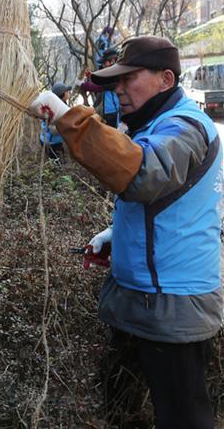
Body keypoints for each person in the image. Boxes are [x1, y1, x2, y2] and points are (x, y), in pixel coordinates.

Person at [31, 35, 222, 429]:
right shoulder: (154, 123)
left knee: (183, 417)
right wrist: (113, 234)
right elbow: (171, 204)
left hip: (173, 306)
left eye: (128, 78)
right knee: (122, 407)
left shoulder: (185, 126)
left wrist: (68, 118)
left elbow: (141, 174)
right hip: (143, 301)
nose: (118, 89)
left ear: (165, 79)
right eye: (115, 80)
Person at [78, 47, 120, 128]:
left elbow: (100, 86)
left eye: (105, 62)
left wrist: (83, 85)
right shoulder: (110, 72)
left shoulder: (116, 75)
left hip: (113, 112)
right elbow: (100, 78)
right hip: (108, 111)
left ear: (113, 61)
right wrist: (91, 76)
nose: (103, 65)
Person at [39, 82, 71, 160]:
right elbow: (53, 130)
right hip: (51, 142)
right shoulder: (54, 108)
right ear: (63, 94)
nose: (68, 93)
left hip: (53, 140)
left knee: (58, 161)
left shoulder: (60, 104)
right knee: (57, 163)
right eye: (67, 91)